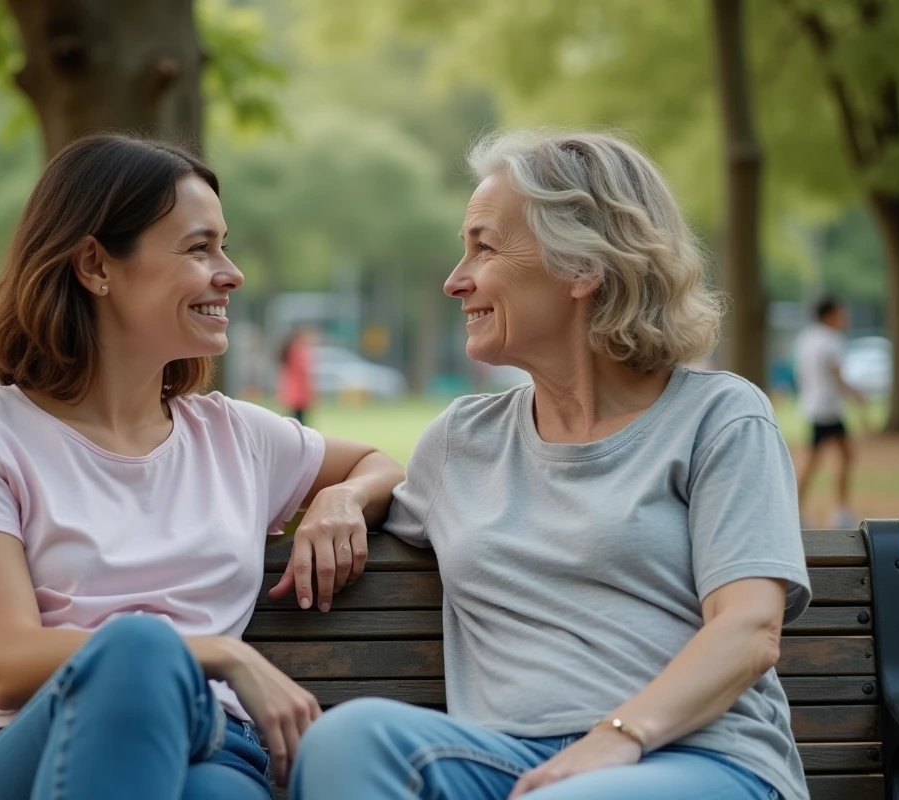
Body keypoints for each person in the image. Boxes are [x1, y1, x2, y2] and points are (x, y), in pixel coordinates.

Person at [292, 131, 811, 800]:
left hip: (700, 756)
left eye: (484, 246)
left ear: (582, 266)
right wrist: (344, 496)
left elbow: (749, 630)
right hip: (508, 763)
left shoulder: (719, 418)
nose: (456, 280)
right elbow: (389, 484)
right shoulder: (460, 441)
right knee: (349, 740)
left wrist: (618, 736)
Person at [0, 134, 404, 800]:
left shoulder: (235, 438)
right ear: (96, 266)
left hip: (211, 754)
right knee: (138, 650)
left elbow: (377, 464)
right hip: (0, 758)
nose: (232, 271)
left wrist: (341, 499)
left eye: (224, 243)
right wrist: (218, 653)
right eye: (199, 247)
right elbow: (3, 661)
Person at [793, 296, 866, 528]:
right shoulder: (831, 340)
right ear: (829, 315)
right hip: (827, 408)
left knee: (827, 457)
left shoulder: (807, 338)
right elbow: (837, 376)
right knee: (824, 458)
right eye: (841, 313)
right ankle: (838, 511)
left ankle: (818, 509)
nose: (845, 318)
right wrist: (856, 395)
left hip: (813, 405)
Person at [278, 326, 315, 424]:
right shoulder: (298, 352)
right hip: (299, 394)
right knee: (300, 424)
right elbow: (304, 374)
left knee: (293, 421)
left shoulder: (289, 351)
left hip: (291, 393)